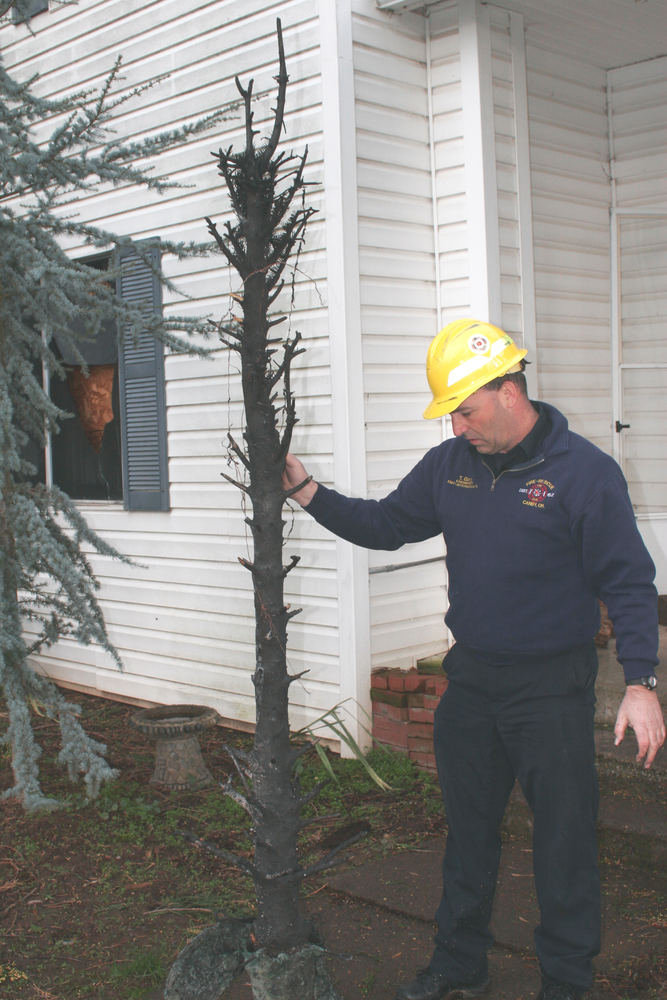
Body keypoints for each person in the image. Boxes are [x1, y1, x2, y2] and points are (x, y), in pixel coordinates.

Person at [282, 319, 665, 1000]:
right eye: (452, 415)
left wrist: (639, 681)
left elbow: (629, 582)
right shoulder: (449, 466)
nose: (457, 427)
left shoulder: (584, 473)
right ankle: (459, 962)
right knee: (467, 834)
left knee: (564, 840)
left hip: (551, 688)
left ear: (508, 390)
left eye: (465, 410)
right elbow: (385, 525)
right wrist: (307, 491)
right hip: (473, 681)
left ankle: (566, 981)